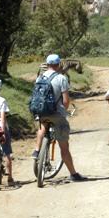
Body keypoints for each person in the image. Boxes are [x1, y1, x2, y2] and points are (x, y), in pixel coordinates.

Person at [32, 54, 86, 182]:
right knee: (64, 147)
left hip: (41, 112)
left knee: (42, 126)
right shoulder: (62, 78)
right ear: (58, 64)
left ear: (47, 64)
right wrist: (63, 112)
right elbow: (66, 101)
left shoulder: (40, 77)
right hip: (57, 114)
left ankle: (37, 150)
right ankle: (73, 174)